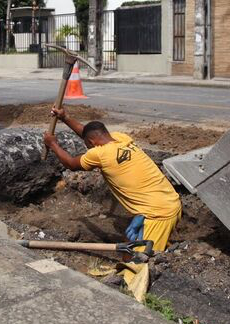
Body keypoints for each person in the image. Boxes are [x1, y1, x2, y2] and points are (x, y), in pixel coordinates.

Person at [43, 107, 182, 251]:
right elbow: (89, 134)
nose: (89, 149)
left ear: (92, 143)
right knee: (129, 243)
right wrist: (65, 118)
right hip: (170, 201)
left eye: (88, 145)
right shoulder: (121, 138)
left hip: (158, 214)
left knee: (139, 265)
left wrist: (52, 144)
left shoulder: (99, 154)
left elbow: (71, 164)